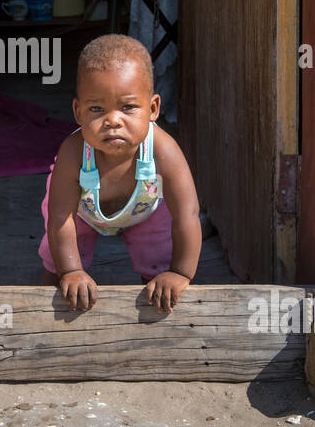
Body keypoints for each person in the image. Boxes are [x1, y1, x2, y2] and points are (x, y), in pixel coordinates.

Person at [39, 34, 201, 313]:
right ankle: (42, 310)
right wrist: (71, 271)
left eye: (127, 107)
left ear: (153, 108)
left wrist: (180, 273)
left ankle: (157, 303)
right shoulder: (74, 151)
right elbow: (60, 218)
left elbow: (187, 213)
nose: (113, 120)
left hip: (145, 210)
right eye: (97, 108)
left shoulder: (163, 149)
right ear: (78, 112)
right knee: (58, 268)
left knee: (159, 263)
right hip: (80, 212)